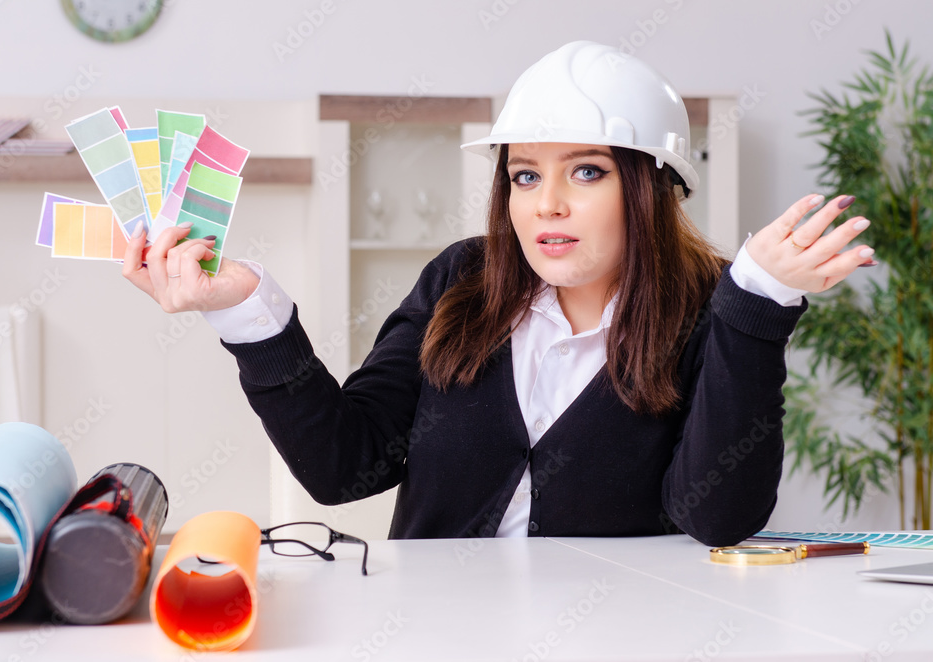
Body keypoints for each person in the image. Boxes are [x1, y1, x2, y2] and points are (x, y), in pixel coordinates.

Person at [122, 42, 875, 546]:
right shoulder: (461, 281)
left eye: (586, 171)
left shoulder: (714, 307)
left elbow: (717, 516)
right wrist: (247, 310)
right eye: (524, 174)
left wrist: (758, 307)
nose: (546, 203)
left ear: (650, 186)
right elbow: (343, 467)